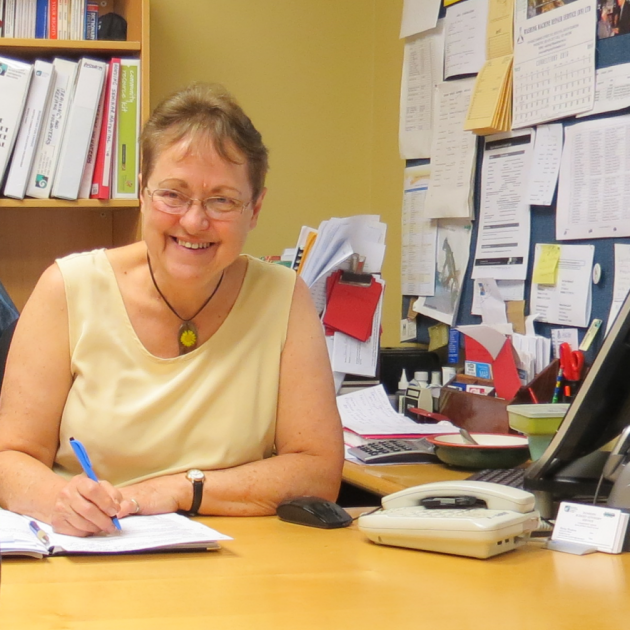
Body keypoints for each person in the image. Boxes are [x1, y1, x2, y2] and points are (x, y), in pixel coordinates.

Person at [0, 83, 344, 537]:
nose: (194, 221)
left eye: (222, 199)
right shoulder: (67, 288)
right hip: (89, 553)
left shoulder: (285, 297)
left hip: (242, 566)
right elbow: (10, 458)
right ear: (143, 193)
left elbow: (318, 471)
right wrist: (61, 502)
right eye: (173, 194)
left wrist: (181, 489)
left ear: (255, 209)